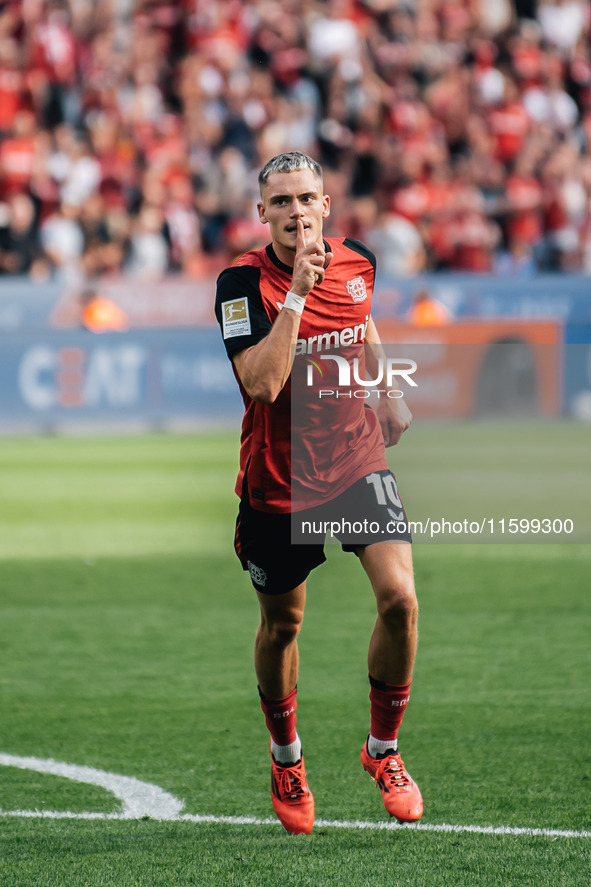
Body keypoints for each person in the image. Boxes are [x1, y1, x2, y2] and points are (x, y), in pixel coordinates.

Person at [214, 152, 422, 835]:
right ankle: (286, 756)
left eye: (306, 198)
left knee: (400, 599)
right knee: (283, 625)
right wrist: (298, 294)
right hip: (279, 483)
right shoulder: (241, 284)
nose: (296, 211)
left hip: (355, 459)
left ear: (325, 205)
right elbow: (262, 384)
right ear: (262, 213)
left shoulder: (357, 260)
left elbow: (361, 326)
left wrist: (386, 388)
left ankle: (382, 751)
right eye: (281, 202)